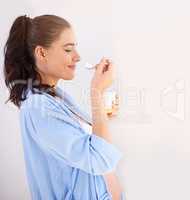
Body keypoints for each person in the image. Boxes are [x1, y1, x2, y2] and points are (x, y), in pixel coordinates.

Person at [3, 14, 125, 200]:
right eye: (68, 50)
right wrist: (96, 92)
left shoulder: (54, 95)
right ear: (42, 53)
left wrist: (103, 112)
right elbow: (100, 159)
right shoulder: (38, 108)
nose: (77, 57)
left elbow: (86, 145)